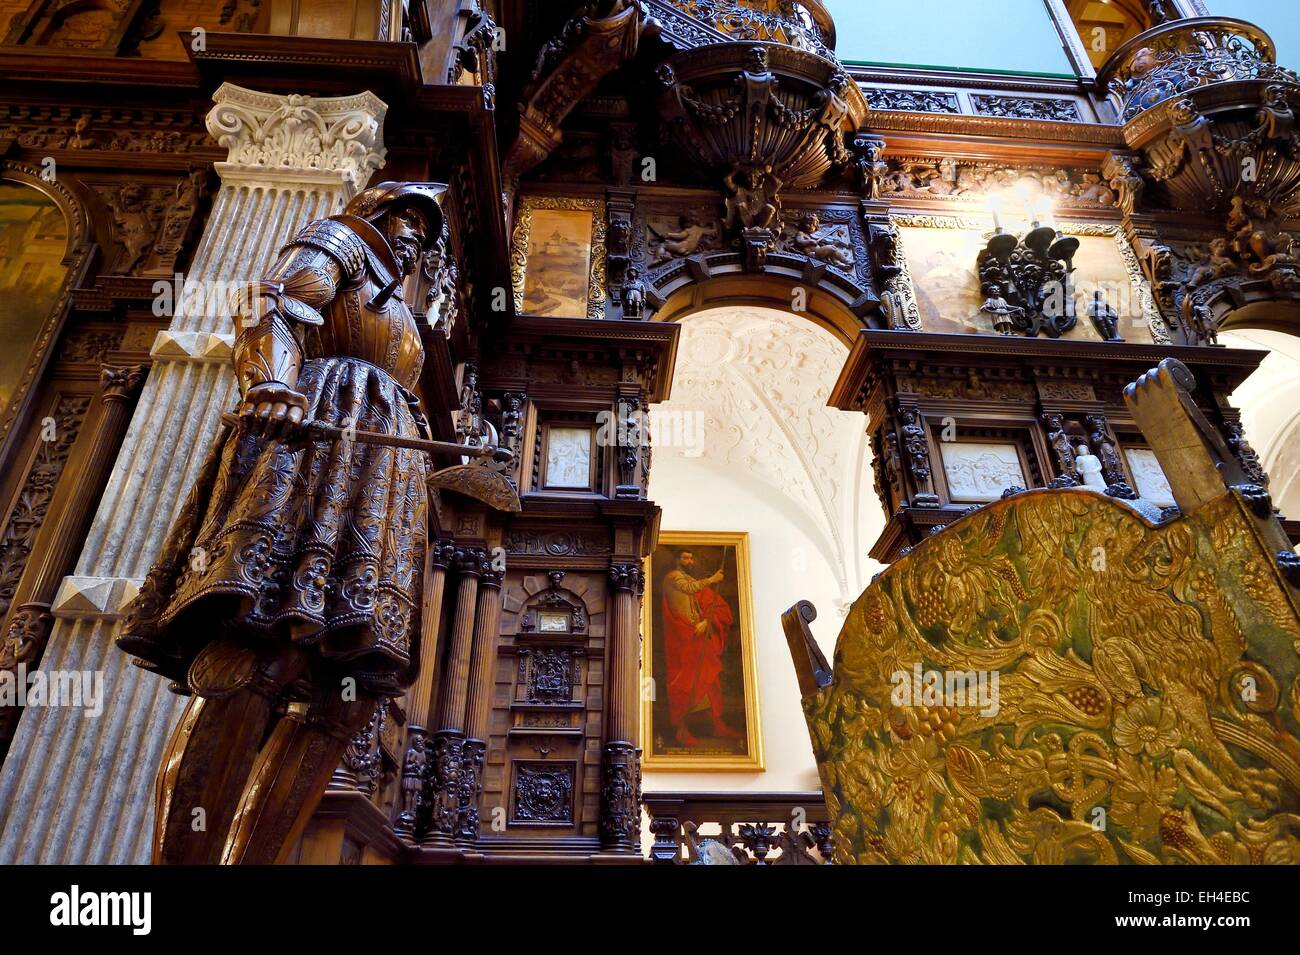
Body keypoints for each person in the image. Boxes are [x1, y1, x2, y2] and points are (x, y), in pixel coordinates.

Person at [117, 181, 446, 865]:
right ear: (376, 211)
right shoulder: (340, 240)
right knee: (259, 648)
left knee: (345, 697)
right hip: (318, 448)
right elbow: (278, 303)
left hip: (378, 484)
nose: (412, 235)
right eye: (405, 216)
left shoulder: (408, 319)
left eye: (422, 226)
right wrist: (270, 377)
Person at [660, 550, 742, 746]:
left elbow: (706, 601)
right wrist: (712, 578)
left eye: (691, 557)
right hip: (682, 637)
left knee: (709, 679)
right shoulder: (672, 577)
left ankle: (715, 723)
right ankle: (681, 728)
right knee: (684, 683)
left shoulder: (688, 578)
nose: (690, 560)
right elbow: (689, 588)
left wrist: (707, 621)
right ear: (676, 559)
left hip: (696, 635)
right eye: (685, 557)